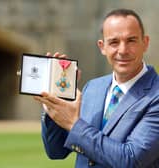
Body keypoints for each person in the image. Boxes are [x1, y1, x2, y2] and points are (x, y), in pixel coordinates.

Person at [35, 8, 159, 168]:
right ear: (102, 47)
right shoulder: (92, 88)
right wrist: (53, 101)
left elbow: (131, 159)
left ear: (145, 43)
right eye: (114, 42)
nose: (123, 50)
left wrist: (74, 124)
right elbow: (56, 152)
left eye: (131, 40)